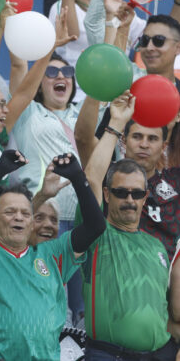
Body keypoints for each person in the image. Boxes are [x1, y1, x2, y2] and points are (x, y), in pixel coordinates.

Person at [0, 150, 105, 360]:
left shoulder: (52, 254)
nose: (19, 218)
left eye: (25, 214)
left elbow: (95, 226)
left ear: (31, 222)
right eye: (9, 212)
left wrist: (78, 177)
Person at [81, 91, 177, 359]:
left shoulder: (156, 245)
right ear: (107, 195)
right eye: (121, 192)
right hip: (110, 355)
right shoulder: (97, 233)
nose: (129, 199)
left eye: (137, 193)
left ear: (145, 197)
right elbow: (91, 179)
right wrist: (115, 125)